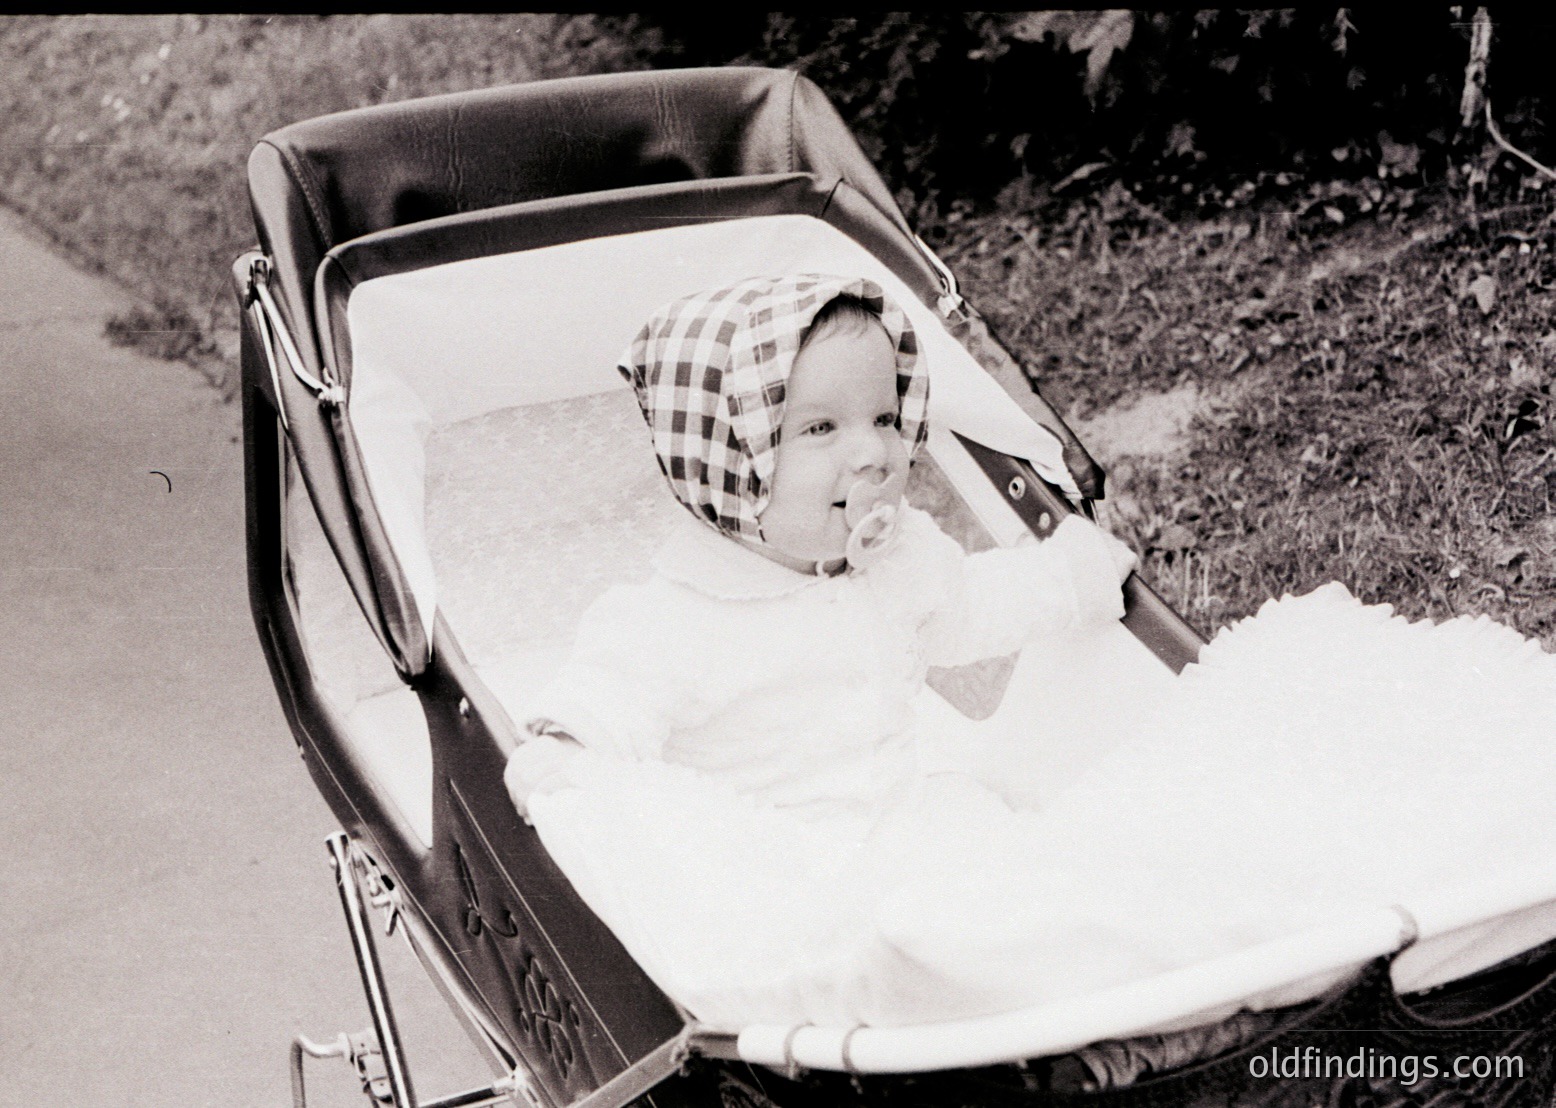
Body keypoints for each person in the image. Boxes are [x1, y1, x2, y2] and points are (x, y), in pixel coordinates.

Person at [504, 274, 1135, 820]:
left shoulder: (896, 557)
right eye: (821, 428)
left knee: (1006, 869)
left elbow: (968, 607)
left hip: (902, 819)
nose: (872, 453)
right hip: (771, 859)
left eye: (885, 419)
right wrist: (567, 755)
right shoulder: (679, 616)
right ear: (728, 463)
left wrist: (1071, 576)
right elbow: (610, 695)